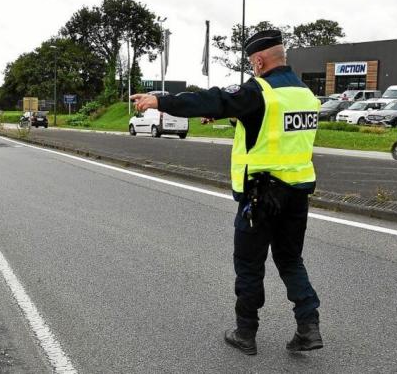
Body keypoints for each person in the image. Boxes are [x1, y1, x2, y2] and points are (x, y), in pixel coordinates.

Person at [131, 30, 322, 355]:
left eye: (252, 63)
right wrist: (237, 117)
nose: (252, 69)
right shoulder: (304, 94)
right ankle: (309, 326)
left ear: (259, 60)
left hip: (261, 195)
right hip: (298, 193)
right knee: (290, 259)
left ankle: (245, 333)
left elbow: (215, 98)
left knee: (249, 263)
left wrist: (161, 100)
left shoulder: (260, 90)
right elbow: (271, 130)